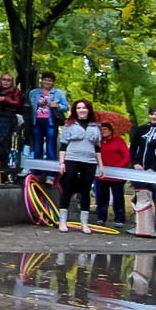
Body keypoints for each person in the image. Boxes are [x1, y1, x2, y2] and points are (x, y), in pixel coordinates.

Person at [57, 99, 104, 234]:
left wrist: (101, 166)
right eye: (78, 108)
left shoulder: (95, 127)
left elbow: (97, 148)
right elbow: (63, 145)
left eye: (84, 108)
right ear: (75, 110)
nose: (81, 110)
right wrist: (62, 163)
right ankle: (63, 221)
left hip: (89, 161)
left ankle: (84, 223)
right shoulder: (69, 125)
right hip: (72, 159)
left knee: (85, 191)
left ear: (89, 110)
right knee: (67, 188)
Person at [129, 106, 156, 238]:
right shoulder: (142, 129)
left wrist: (153, 168)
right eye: (152, 114)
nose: (154, 117)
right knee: (141, 198)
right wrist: (136, 163)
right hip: (140, 171)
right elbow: (133, 149)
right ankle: (141, 225)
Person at [29, 72, 69, 182]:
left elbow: (66, 107)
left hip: (51, 123)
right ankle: (37, 174)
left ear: (53, 82)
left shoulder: (58, 93)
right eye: (45, 80)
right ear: (42, 80)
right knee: (37, 148)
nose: (47, 82)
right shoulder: (34, 93)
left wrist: (57, 105)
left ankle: (51, 176)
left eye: (50, 80)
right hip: (37, 122)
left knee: (51, 147)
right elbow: (29, 106)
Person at [94, 122, 130, 227]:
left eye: (105, 129)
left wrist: (118, 167)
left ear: (110, 131)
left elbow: (127, 156)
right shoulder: (97, 143)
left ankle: (120, 219)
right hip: (101, 175)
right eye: (101, 129)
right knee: (101, 197)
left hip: (116, 176)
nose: (103, 131)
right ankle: (101, 218)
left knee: (118, 197)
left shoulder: (118, 141)